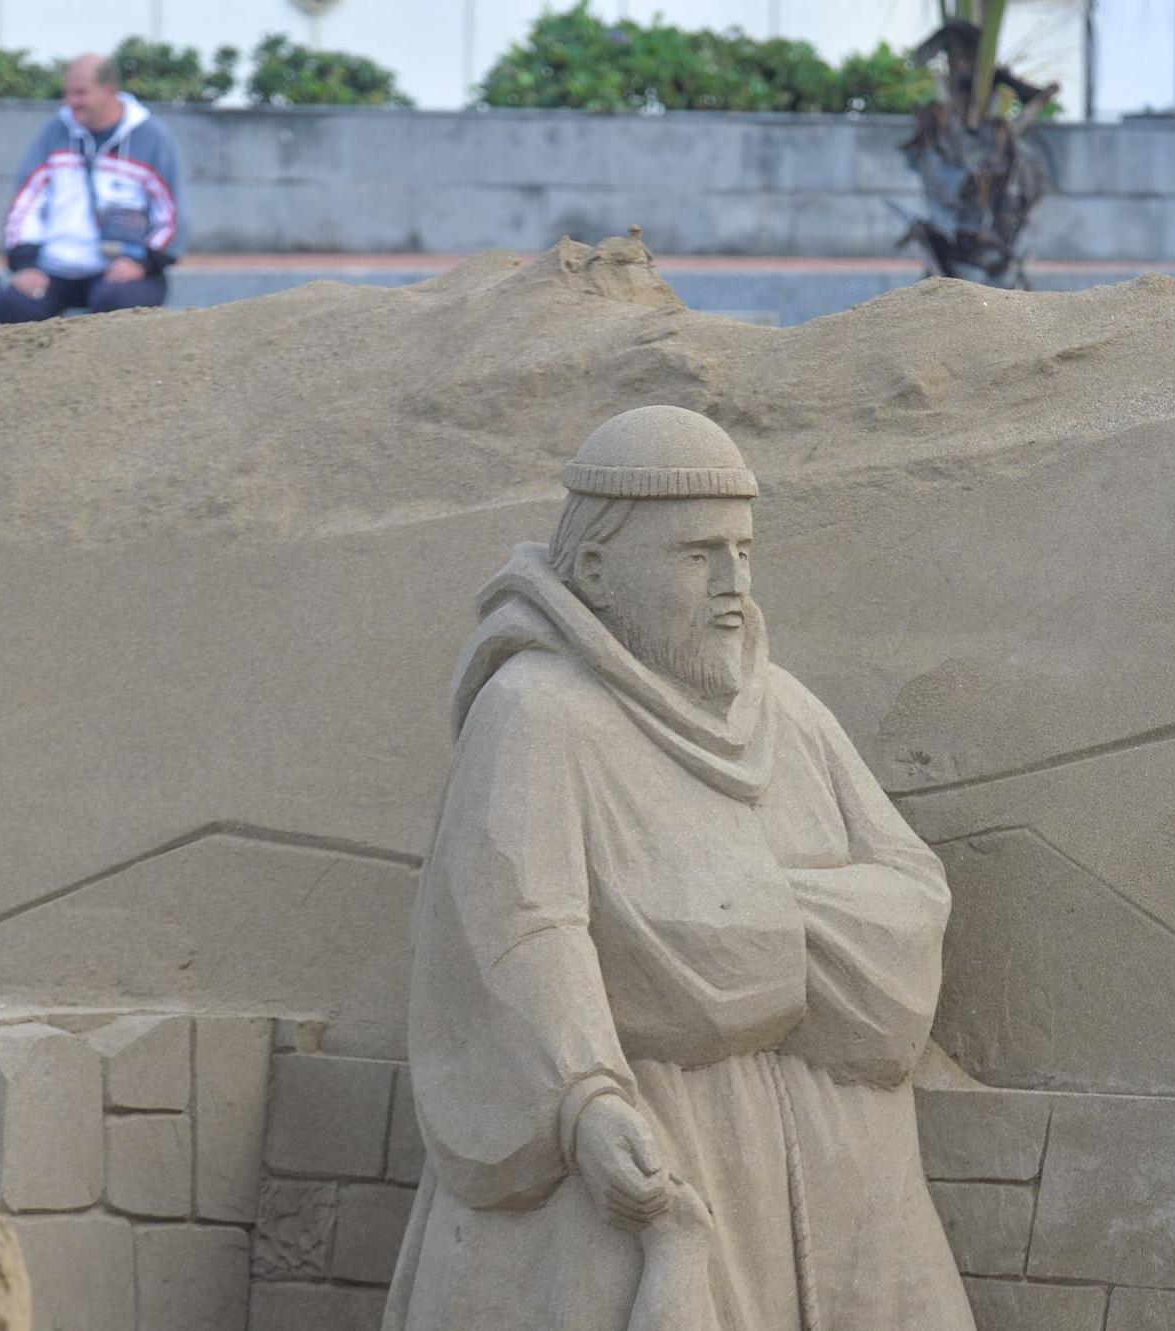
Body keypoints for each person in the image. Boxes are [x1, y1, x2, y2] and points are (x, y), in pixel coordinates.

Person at [385, 406, 976, 1330]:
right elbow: (516, 935)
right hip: (647, 1161)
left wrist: (716, 941)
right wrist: (585, 1099)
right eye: (698, 556)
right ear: (596, 570)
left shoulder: (787, 710)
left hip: (840, 1183)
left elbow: (910, 904)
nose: (734, 585)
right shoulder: (538, 713)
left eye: (743, 552)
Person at [0, 55, 183, 322]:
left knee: (116, 304)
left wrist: (142, 262)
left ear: (110, 91)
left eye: (81, 93)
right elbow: (26, 203)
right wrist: (25, 264)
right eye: (68, 93)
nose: (71, 102)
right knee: (16, 304)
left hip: (123, 269)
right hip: (55, 270)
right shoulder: (54, 133)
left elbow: (172, 213)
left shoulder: (152, 137)